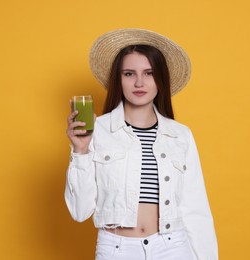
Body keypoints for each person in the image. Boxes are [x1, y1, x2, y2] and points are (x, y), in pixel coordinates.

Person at [65, 28, 218, 260]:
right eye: (129, 74)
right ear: (119, 79)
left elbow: (195, 209)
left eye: (149, 73)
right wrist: (81, 151)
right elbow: (80, 211)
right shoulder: (98, 131)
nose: (139, 82)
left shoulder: (180, 135)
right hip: (117, 249)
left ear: (160, 80)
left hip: (173, 247)